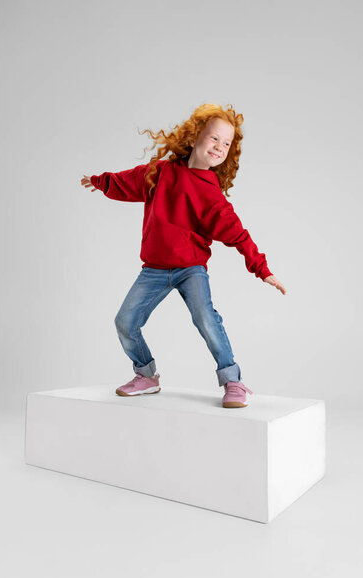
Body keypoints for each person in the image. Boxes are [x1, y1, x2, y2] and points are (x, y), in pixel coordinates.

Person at [80, 103, 286, 408]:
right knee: (124, 321)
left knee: (206, 318)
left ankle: (233, 381)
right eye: (214, 138)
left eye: (226, 143)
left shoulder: (210, 193)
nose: (219, 147)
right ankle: (146, 375)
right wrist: (101, 182)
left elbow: (237, 233)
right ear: (193, 138)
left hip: (191, 268)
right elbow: (127, 181)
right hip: (154, 269)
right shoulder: (160, 173)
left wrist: (261, 268)